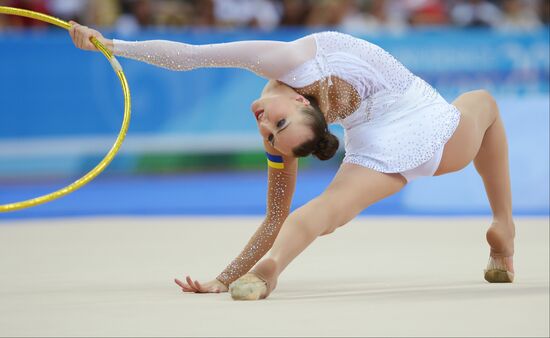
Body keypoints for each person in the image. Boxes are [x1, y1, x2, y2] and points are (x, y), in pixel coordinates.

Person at [68, 21, 516, 300]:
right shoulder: (287, 82)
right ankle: (503, 224)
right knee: (482, 103)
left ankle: (273, 270)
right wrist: (111, 44)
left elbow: (191, 58)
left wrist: (113, 44)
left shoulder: (285, 67)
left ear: (306, 100)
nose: (265, 126)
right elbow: (189, 58)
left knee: (330, 210)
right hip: (428, 132)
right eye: (275, 132)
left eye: (273, 130)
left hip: (396, 123)